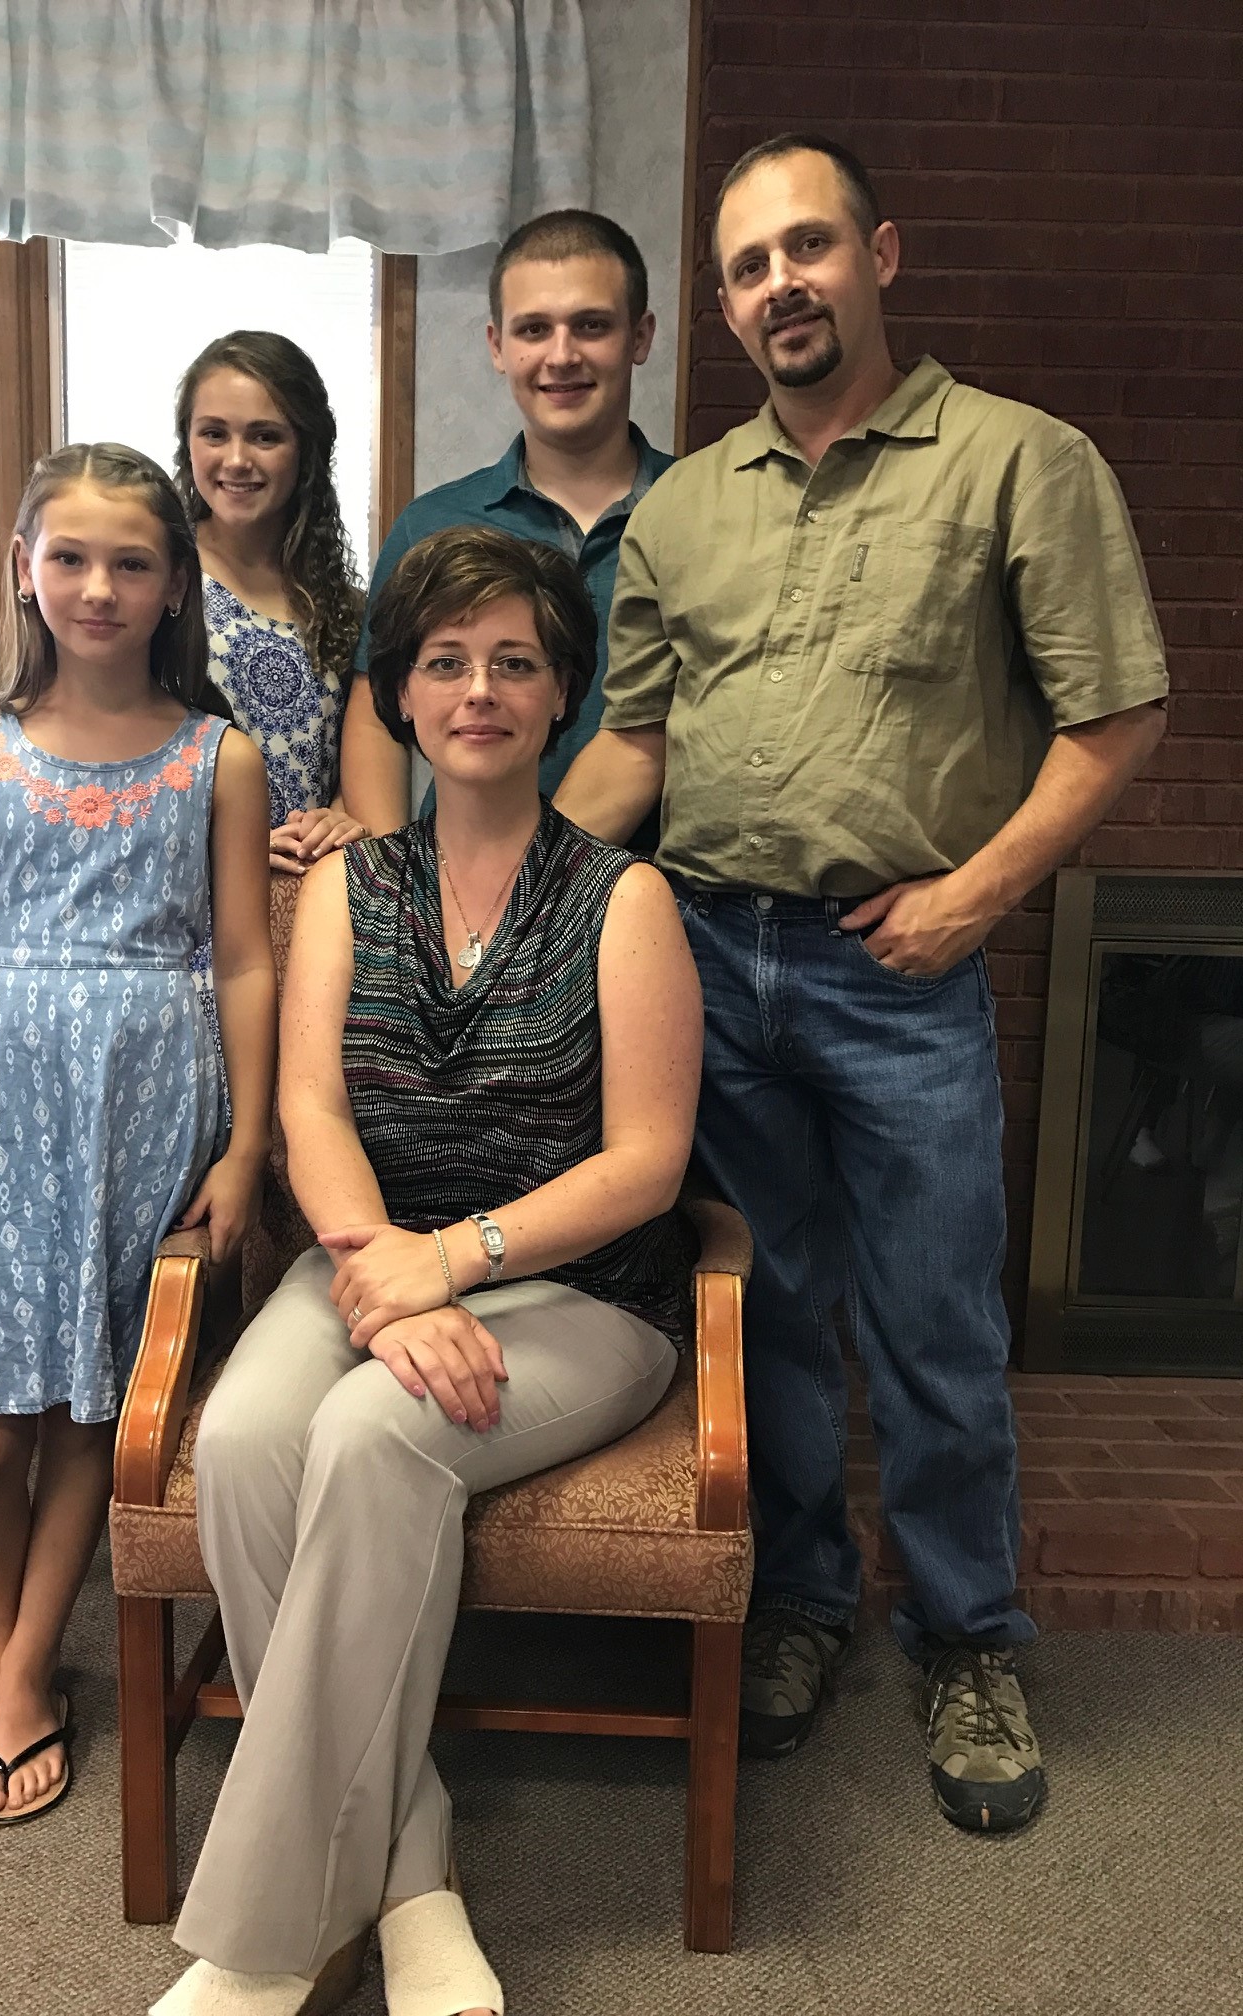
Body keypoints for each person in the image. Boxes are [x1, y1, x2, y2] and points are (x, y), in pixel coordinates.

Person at [557, 133, 1169, 1834]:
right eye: (748, 266)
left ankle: (969, 1636)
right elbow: (637, 746)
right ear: (727, 302)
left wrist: (973, 897)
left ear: (879, 254)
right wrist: (496, 876)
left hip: (898, 974)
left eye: (807, 247)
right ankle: (811, 1604)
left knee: (935, 1327)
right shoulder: (685, 505)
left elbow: (1115, 716)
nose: (780, 288)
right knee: (767, 1316)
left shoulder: (1016, 464)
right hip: (706, 967)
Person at [155, 527, 702, 2016]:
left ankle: (264, 1946)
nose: (480, 690)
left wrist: (448, 1265)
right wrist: (374, 1264)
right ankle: (411, 1874)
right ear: (398, 692)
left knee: (374, 1433)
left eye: (515, 662)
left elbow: (647, 1164)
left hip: (581, 1294)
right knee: (255, 1435)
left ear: (562, 692)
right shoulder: (346, 885)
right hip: (369, 1259)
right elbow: (312, 1109)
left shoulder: (627, 901)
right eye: (446, 662)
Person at [0, 443, 277, 1825]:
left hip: (149, 1103)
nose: (98, 587)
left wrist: (246, 1145)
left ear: (175, 586)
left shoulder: (221, 757)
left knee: (95, 1399)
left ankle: (26, 1667)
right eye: (71, 557)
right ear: (24, 569)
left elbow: (242, 963)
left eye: (133, 562)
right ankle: (6, 1633)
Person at [340, 209, 671, 848]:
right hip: (457, 894)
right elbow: (377, 714)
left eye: (592, 325)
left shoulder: (699, 512)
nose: (562, 355)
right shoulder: (431, 525)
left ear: (640, 336)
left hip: (654, 897)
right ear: (497, 346)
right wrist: (396, 883)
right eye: (534, 329)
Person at [174, 329, 369, 879]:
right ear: (186, 443)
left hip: (312, 903)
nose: (236, 460)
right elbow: (116, 759)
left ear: (306, 450)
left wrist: (341, 818)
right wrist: (227, 847)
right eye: (214, 433)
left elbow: (356, 782)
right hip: (186, 903)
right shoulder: (158, 585)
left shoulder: (345, 606)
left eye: (264, 436)